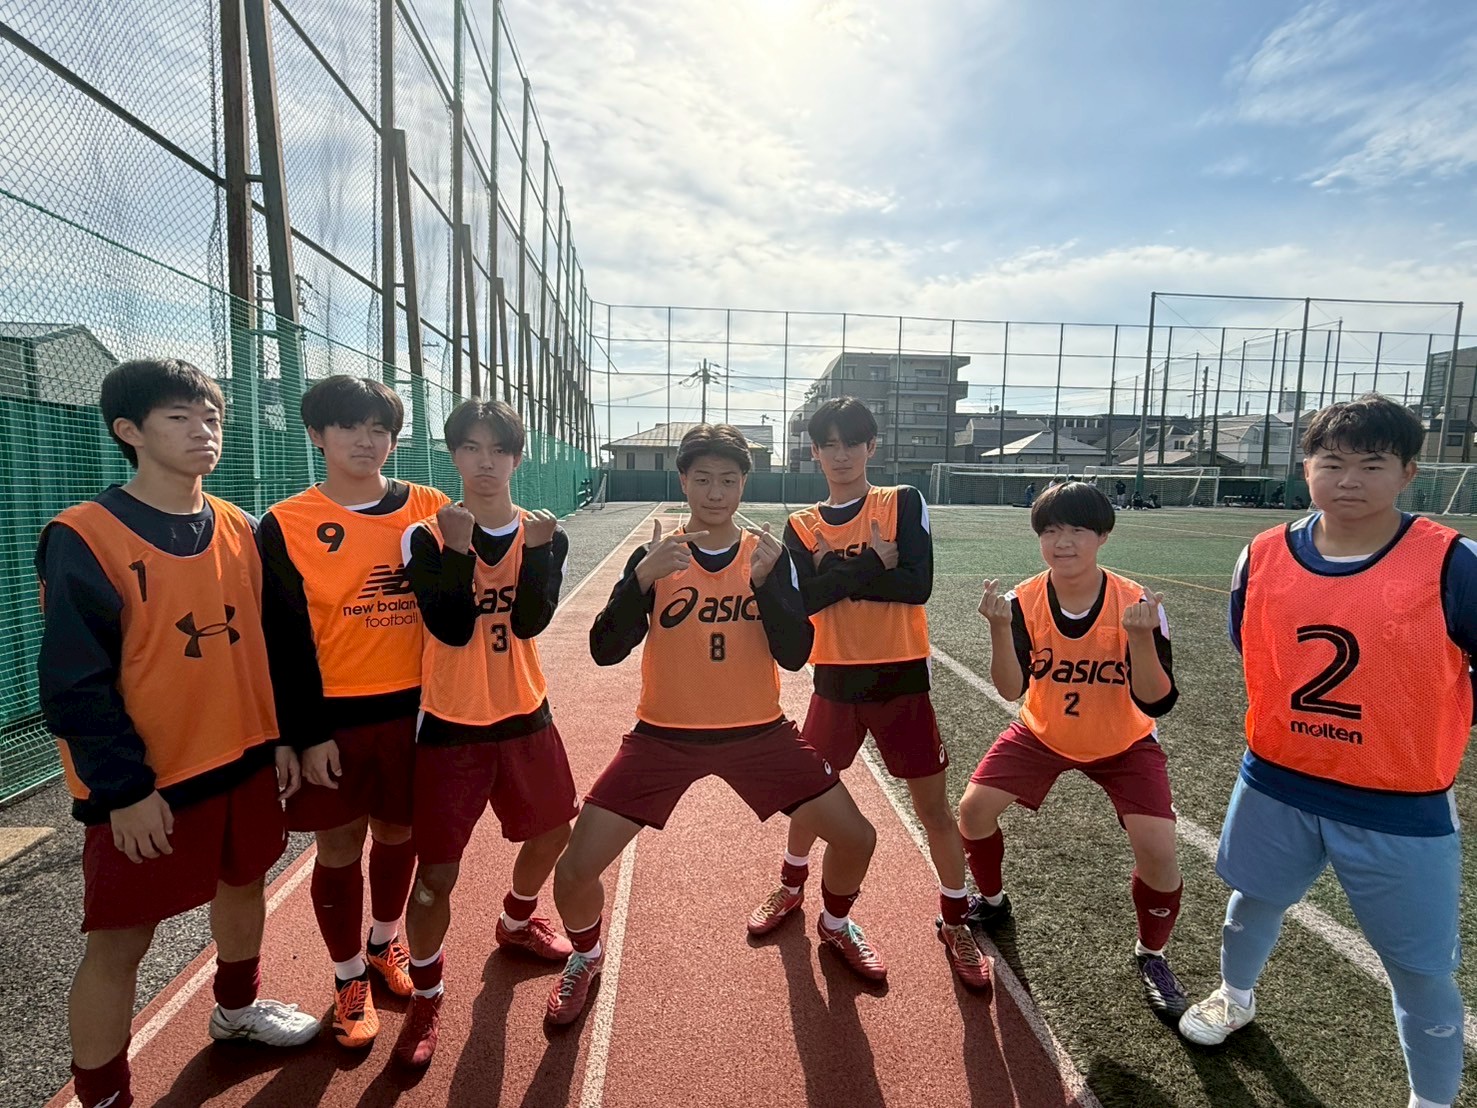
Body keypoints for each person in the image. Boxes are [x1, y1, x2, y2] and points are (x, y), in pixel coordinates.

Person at [37, 359, 318, 1108]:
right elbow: (73, 681)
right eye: (179, 418)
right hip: (150, 780)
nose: (203, 431)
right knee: (121, 940)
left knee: (245, 884)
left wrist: (285, 738)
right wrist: (124, 790)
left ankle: (236, 1010)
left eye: (212, 418)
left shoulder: (243, 528)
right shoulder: (84, 535)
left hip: (244, 758)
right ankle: (103, 1096)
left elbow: (280, 643)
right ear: (129, 431)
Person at [1180, 395, 1474, 1108]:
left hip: (1398, 800)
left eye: (1371, 463)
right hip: (1277, 779)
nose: (1348, 480)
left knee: (1418, 966)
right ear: (1305, 467)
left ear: (1407, 473)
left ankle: (1431, 1100)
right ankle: (1234, 996)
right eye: (1331, 462)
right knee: (1252, 900)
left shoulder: (1451, 562)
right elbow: (1250, 643)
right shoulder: (1262, 553)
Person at [547, 423, 883, 1025]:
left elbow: (795, 654)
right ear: (683, 481)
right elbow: (604, 649)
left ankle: (835, 924)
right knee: (572, 872)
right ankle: (587, 955)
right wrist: (641, 581)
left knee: (857, 837)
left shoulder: (768, 556)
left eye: (728, 480)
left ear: (744, 484)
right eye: (702, 479)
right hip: (663, 737)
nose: (715, 492)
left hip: (759, 734)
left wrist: (767, 587)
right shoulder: (655, 557)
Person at [749, 397, 989, 989]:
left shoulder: (902, 501)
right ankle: (791, 885)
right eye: (829, 444)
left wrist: (834, 574)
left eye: (852, 442)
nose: (841, 454)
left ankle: (955, 921)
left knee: (934, 811)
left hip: (902, 680)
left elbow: (918, 584)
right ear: (813, 452)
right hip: (835, 679)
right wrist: (872, 565)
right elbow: (804, 601)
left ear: (871, 447)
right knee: (810, 798)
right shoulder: (801, 524)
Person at [260, 376, 449, 1051]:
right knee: (338, 844)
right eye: (348, 426)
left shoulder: (429, 508)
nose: (366, 441)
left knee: (400, 834)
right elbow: (282, 639)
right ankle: (347, 979)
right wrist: (303, 734)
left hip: (416, 711)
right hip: (333, 720)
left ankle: (383, 942)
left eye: (380, 428)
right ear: (317, 434)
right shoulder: (285, 523)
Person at [393, 399, 577, 1066]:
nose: (485, 461)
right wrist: (458, 546)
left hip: (525, 713)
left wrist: (540, 552)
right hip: (451, 724)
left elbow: (528, 622)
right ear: (453, 455)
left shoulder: (543, 533)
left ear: (517, 458)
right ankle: (427, 995)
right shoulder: (424, 536)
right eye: (471, 447)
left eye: (498, 449)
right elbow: (449, 626)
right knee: (435, 877)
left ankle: (516, 918)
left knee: (554, 831)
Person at [960, 481, 1187, 1021]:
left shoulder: (1138, 604)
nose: (1062, 542)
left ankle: (1152, 954)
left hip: (1124, 740)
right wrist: (998, 629)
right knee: (973, 811)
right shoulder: (1022, 601)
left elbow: (1158, 701)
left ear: (1103, 536)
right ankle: (992, 900)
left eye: (1078, 530)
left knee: (1158, 851)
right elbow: (1010, 689)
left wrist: (1139, 639)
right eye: (1051, 530)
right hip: (1043, 732)